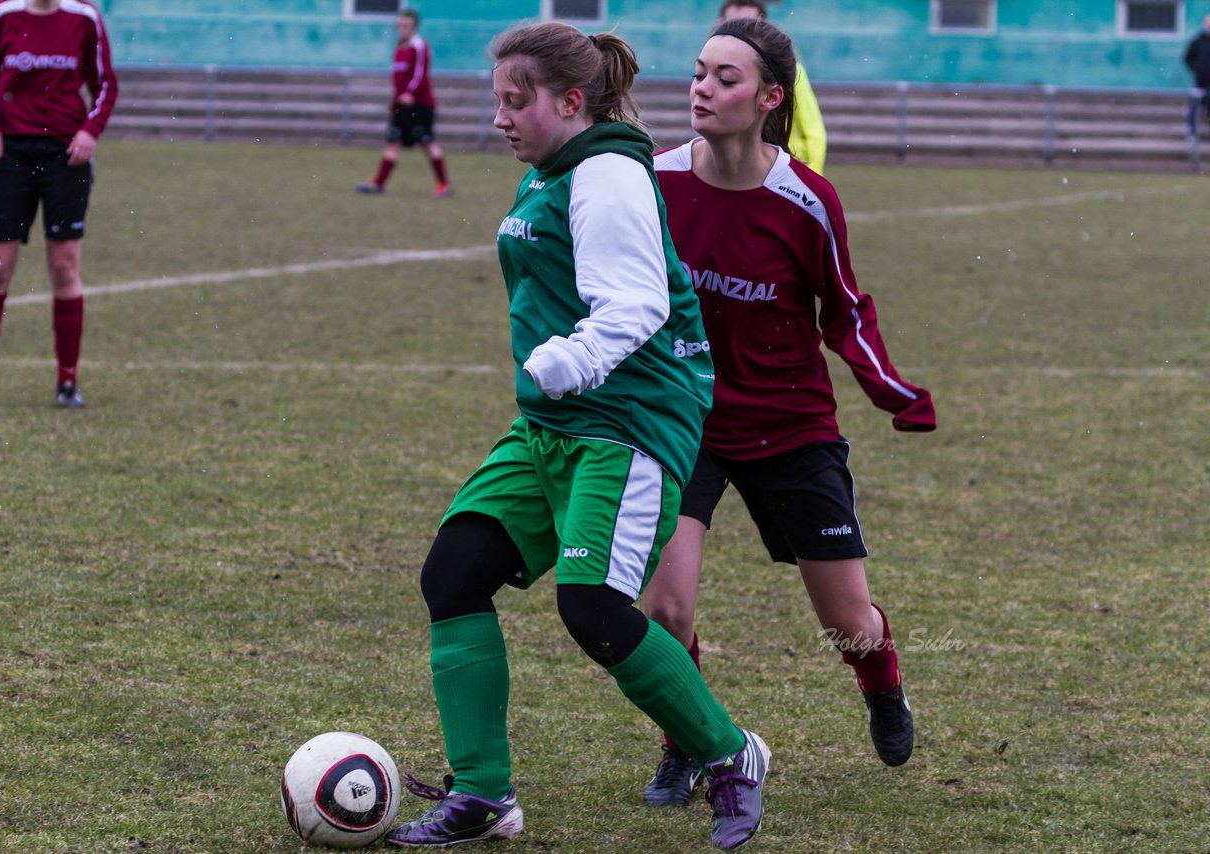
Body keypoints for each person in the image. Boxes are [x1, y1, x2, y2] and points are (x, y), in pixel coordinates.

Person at [384, 21, 769, 851]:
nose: (500, 118)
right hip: (555, 426)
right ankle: (483, 794)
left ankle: (733, 756)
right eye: (496, 100)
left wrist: (572, 358)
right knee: (453, 574)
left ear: (571, 101)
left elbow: (636, 306)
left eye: (516, 101)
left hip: (628, 426)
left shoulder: (605, 176)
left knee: (592, 608)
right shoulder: (555, 168)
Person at [639, 16, 936, 807]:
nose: (702, 87)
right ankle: (690, 743)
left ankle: (883, 682)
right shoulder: (654, 180)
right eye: (699, 71)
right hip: (684, 423)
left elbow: (842, 310)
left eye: (724, 78)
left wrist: (893, 392)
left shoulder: (805, 201)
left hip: (790, 427)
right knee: (664, 609)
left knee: (849, 625)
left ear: (770, 98)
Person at [0, 0, 117, 409]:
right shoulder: (2, 14)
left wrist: (89, 131)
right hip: (9, 155)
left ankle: (67, 382)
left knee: (64, 268)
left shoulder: (84, 18)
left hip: (66, 156)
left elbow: (106, 86)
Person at [718, 0, 826, 174]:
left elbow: (814, 132)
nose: (740, 33)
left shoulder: (790, 72)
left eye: (749, 25)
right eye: (732, 25)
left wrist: (810, 179)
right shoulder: (710, 73)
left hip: (785, 166)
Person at [356, 8, 453, 198]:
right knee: (393, 142)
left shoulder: (419, 46)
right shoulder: (399, 48)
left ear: (415, 27)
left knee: (427, 143)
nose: (403, 29)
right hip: (403, 107)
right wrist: (395, 104)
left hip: (420, 105)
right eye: (400, 25)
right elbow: (397, 82)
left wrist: (410, 93)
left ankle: (443, 184)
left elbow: (420, 73)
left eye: (407, 25)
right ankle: (378, 183)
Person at [1184, 13, 1210, 137]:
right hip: (1201, 81)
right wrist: (1197, 69)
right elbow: (1188, 58)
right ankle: (1192, 132)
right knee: (1194, 103)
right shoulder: (1198, 41)